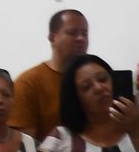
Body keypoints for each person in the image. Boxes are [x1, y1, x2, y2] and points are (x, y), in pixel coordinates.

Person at [10, 9, 90, 143]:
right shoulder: (28, 83)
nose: (81, 39)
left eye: (85, 33)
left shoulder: (94, 81)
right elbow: (25, 146)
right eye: (72, 33)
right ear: (53, 38)